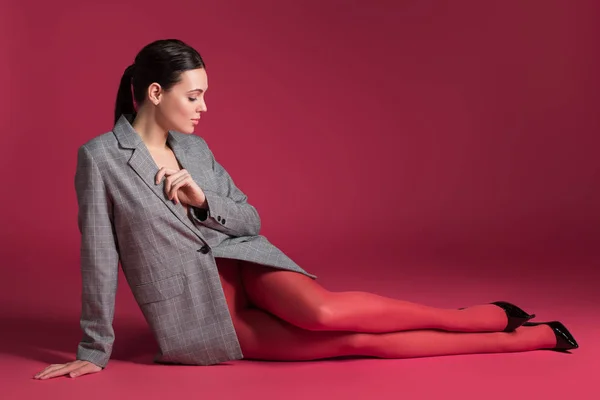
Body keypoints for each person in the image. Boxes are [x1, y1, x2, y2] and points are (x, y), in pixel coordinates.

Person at [33, 39, 578, 380]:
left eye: (204, 95)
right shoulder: (101, 158)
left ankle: (483, 316)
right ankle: (534, 335)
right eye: (193, 96)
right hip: (200, 316)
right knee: (357, 343)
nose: (204, 108)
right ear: (155, 92)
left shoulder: (195, 149)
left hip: (248, 263)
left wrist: (203, 201)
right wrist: (93, 347)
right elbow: (100, 257)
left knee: (328, 314)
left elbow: (250, 220)